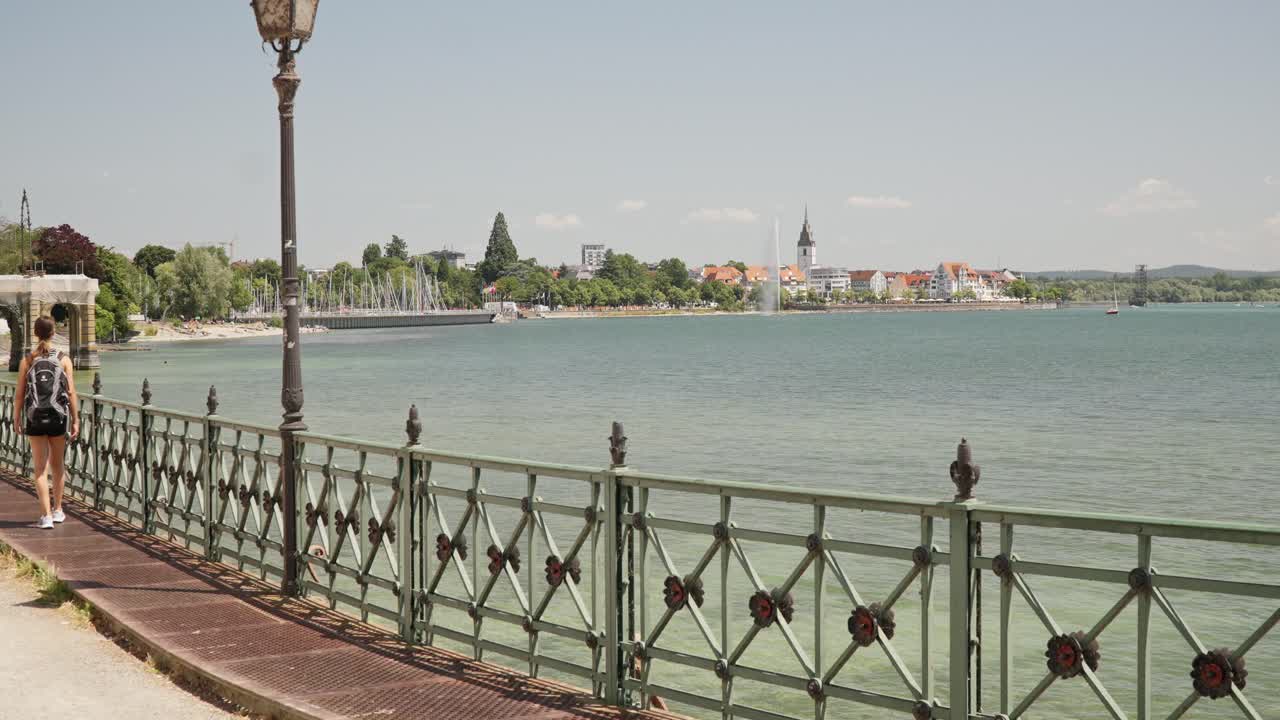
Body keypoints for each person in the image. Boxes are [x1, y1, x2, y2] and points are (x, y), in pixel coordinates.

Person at [12, 316, 79, 529]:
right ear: (54, 332)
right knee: (58, 466)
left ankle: (46, 515)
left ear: (35, 333)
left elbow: (20, 395)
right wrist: (75, 420)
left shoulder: (28, 360)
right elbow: (71, 393)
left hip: (35, 418)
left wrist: (16, 418)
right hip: (58, 418)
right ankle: (59, 510)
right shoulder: (64, 359)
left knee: (40, 469)